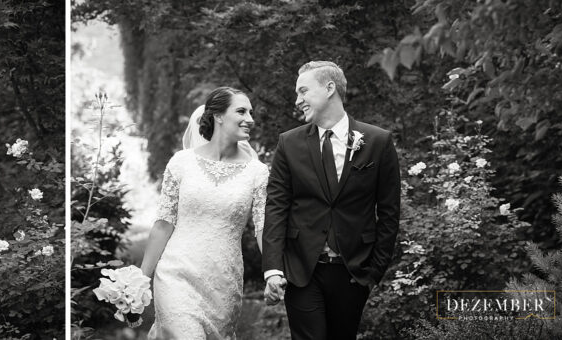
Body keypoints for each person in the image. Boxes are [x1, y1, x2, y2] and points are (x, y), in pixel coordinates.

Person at [261, 61, 401, 340]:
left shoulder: (377, 141)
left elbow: (389, 211)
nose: (297, 100)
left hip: (352, 271)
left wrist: (372, 273)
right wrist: (273, 269)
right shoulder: (289, 143)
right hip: (301, 271)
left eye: (303, 91)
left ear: (329, 88)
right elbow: (276, 207)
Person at [140, 87, 270, 339]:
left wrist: (274, 272)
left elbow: (264, 228)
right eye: (241, 111)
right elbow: (163, 224)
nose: (250, 119)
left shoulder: (257, 172)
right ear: (219, 116)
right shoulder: (181, 162)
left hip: (223, 281)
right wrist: (141, 279)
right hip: (175, 273)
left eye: (251, 112)